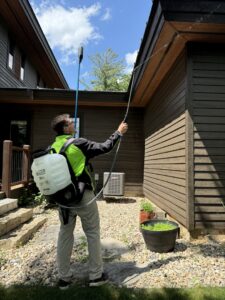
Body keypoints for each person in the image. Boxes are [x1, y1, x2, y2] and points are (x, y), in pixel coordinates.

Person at [50, 113, 128, 289]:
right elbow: (105, 147)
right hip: (82, 195)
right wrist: (118, 132)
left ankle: (64, 279)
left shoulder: (52, 147)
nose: (73, 123)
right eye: (70, 122)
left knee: (64, 234)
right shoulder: (78, 143)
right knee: (92, 233)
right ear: (65, 128)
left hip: (62, 199)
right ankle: (95, 277)